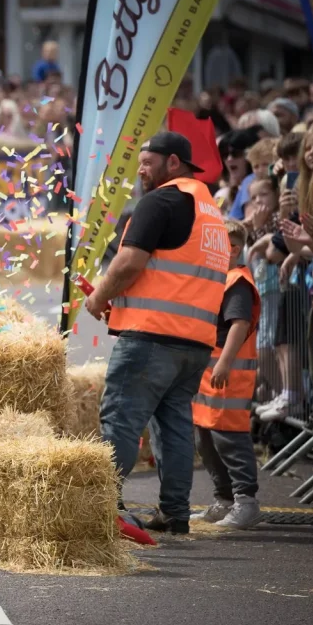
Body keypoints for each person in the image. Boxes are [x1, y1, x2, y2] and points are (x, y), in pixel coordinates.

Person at [85, 131, 230, 534]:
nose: (141, 170)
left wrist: (99, 297)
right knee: (175, 428)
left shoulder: (160, 201)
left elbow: (130, 263)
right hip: (194, 342)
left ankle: (102, 510)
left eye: (148, 162)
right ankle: (175, 513)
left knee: (121, 421)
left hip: (152, 337)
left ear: (173, 162)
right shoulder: (209, 210)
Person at [191, 219, 262, 530]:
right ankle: (224, 499)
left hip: (227, 373)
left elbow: (239, 325)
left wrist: (224, 363)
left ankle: (246, 501)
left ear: (232, 250)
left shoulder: (237, 282)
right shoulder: (220, 279)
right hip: (211, 374)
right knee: (205, 437)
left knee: (229, 437)